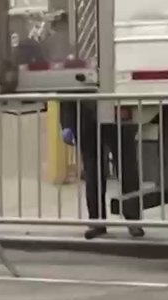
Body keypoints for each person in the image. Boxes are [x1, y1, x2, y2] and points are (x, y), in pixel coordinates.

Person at [59, 100, 145, 239]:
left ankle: (133, 220)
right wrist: (67, 124)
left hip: (118, 114)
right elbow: (67, 91)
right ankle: (97, 221)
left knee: (127, 168)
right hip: (87, 118)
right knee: (93, 172)